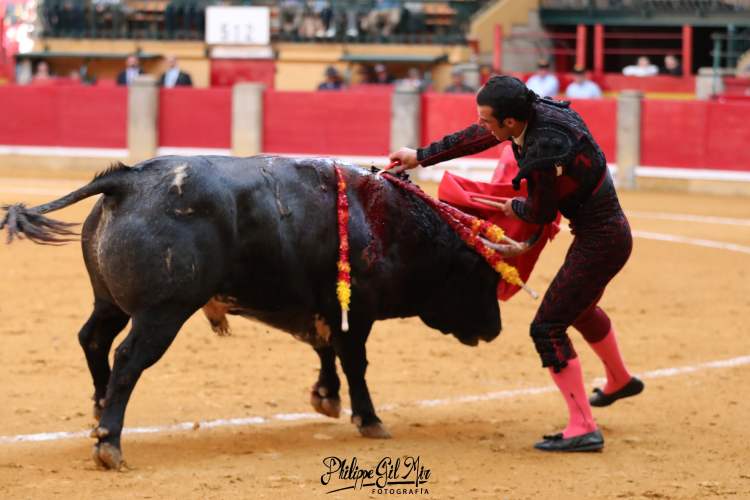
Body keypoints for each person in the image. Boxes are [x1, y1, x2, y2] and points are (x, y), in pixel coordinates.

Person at [387, 75, 643, 452]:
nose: (483, 126)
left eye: (488, 119)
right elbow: (480, 136)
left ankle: (583, 427)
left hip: (602, 240)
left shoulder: (543, 147)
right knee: (580, 308)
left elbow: (541, 212)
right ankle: (620, 380)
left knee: (548, 327)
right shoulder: (531, 113)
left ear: (510, 121)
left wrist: (515, 207)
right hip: (604, 232)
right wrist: (421, 155)